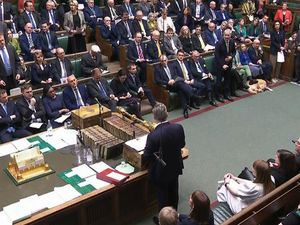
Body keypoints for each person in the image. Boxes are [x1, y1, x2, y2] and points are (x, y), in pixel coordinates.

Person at [143, 103, 185, 223]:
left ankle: (164, 221)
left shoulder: (153, 136)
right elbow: (182, 145)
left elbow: (147, 156)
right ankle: (174, 218)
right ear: (166, 114)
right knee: (173, 193)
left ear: (154, 117)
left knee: (162, 198)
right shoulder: (178, 128)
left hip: (161, 172)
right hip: (175, 167)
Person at [214, 28, 236, 102]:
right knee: (219, 82)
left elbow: (234, 52)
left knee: (227, 80)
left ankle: (227, 95)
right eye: (225, 35)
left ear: (230, 35)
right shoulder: (219, 43)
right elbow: (217, 56)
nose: (227, 37)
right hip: (220, 65)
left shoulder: (232, 41)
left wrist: (231, 56)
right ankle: (218, 96)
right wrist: (222, 64)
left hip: (228, 64)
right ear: (223, 35)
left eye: (228, 35)